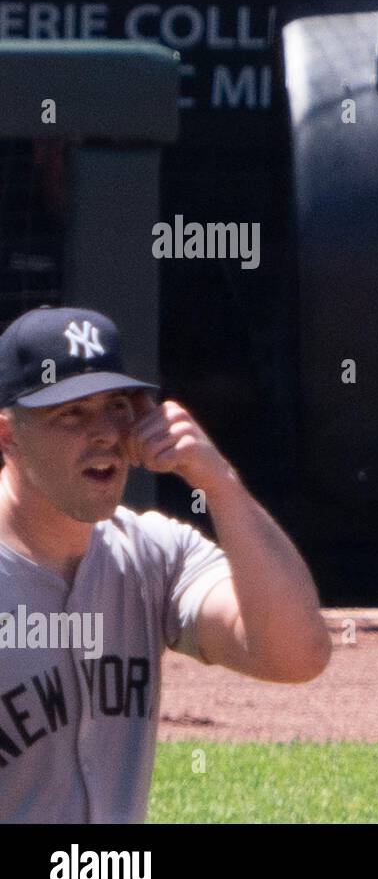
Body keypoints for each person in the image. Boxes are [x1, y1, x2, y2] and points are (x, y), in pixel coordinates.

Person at [0, 305, 332, 822]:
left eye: (116, 406)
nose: (106, 432)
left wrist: (219, 483)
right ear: (8, 436)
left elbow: (295, 655)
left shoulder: (154, 553)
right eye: (72, 413)